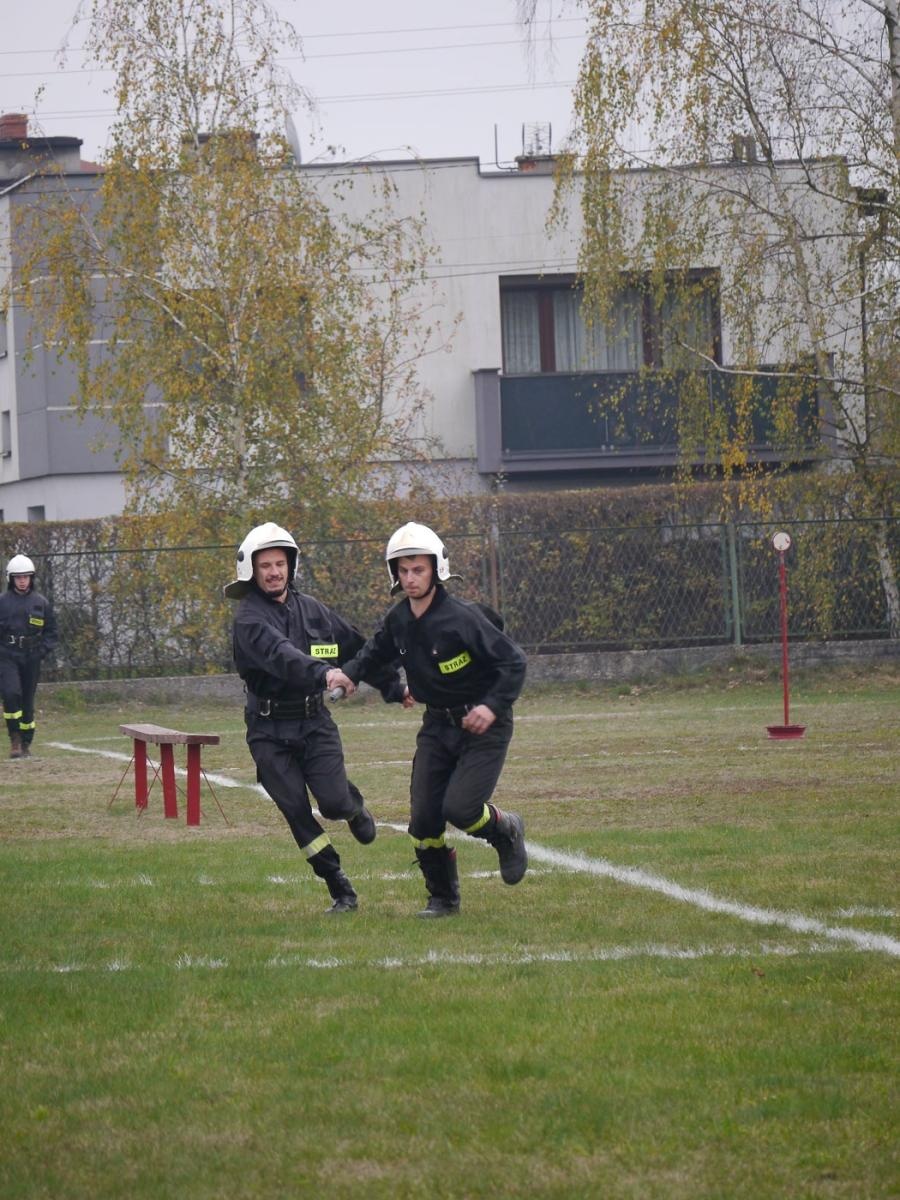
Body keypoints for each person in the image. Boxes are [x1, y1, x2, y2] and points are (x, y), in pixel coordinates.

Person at [331, 522, 528, 918]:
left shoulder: (463, 619)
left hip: (484, 726)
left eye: (417, 569)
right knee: (423, 820)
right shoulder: (399, 619)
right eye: (402, 570)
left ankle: (506, 829)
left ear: (437, 568)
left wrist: (489, 706)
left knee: (461, 809)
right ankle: (442, 898)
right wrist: (349, 675)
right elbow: (373, 652)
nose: (410, 578)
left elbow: (513, 662)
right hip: (437, 727)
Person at [225, 522, 404, 915]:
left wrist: (394, 688)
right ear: (250, 572)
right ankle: (338, 885)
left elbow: (358, 651)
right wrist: (325, 674)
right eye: (265, 565)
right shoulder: (249, 621)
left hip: (314, 724)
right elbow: (282, 655)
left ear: (291, 565)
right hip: (268, 732)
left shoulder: (314, 611)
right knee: (296, 810)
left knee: (335, 803)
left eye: (280, 563)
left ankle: (353, 807)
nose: (274, 572)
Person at [0, 554, 59, 760]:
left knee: (27, 700)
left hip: (32, 656)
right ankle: (14, 737)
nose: (22, 580)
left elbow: (51, 633)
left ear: (31, 578)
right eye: (18, 577)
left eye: (26, 576)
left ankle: (26, 742)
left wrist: (41, 652)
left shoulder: (41, 602)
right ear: (11, 579)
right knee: (10, 693)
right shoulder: (2, 602)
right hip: (7, 655)